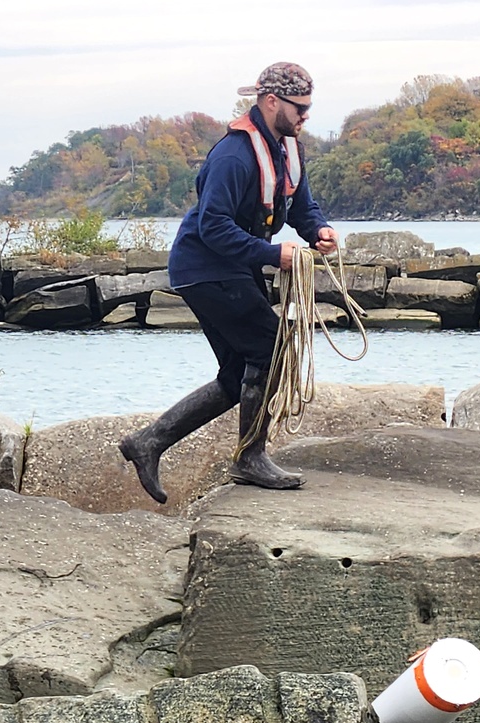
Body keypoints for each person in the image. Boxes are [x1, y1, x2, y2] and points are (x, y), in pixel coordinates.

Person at [120, 61, 339, 502]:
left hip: (230, 268)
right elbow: (214, 227)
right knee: (273, 349)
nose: (306, 116)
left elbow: (301, 207)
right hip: (205, 269)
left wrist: (318, 231)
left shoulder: (288, 148)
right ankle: (249, 458)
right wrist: (273, 254)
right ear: (271, 101)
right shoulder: (234, 155)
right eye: (300, 108)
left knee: (239, 370)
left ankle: (147, 443)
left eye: (309, 108)